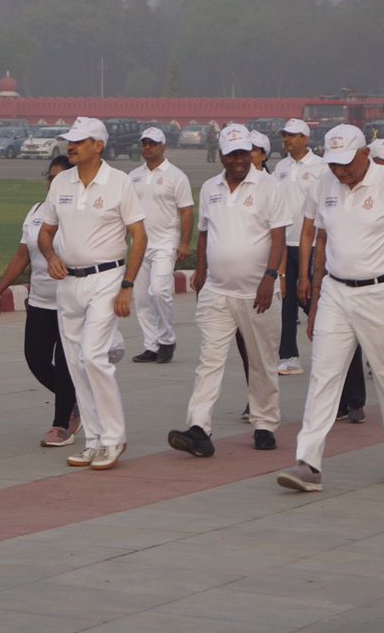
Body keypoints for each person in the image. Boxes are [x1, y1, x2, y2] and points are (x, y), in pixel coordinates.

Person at [276, 124, 384, 492]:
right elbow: (321, 239)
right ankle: (308, 463)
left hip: (382, 292)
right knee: (323, 376)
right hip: (336, 292)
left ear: (364, 155)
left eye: (346, 163)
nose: (340, 171)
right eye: (333, 164)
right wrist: (313, 299)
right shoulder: (323, 184)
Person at [167, 124, 290, 457]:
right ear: (221, 155)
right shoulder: (210, 188)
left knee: (262, 360)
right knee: (209, 360)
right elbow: (205, 232)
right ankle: (198, 427)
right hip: (217, 291)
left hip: (257, 292)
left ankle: (264, 423)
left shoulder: (269, 186)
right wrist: (202, 272)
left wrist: (270, 277)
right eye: (232, 154)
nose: (239, 160)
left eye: (244, 153)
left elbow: (278, 236)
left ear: (252, 152)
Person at [38, 116, 147, 471]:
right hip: (68, 282)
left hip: (107, 278)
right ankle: (93, 440)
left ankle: (114, 438)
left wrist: (127, 286)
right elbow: (46, 230)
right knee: (74, 364)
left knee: (93, 356)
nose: (71, 146)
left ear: (98, 145)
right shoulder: (61, 183)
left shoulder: (119, 183)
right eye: (69, 141)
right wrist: (51, 256)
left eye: (80, 141)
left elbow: (139, 235)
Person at [0, 155, 82, 446]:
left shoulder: (78, 213)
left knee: (64, 363)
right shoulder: (36, 212)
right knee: (36, 359)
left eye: (60, 178)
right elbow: (22, 255)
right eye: (50, 177)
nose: (53, 183)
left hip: (69, 301)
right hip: (39, 301)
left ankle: (60, 424)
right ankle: (77, 402)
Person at [129, 127, 193, 364]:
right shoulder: (133, 176)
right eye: (144, 143)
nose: (147, 147)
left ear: (163, 146)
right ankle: (151, 345)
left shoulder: (177, 176)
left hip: (165, 242)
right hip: (139, 244)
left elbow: (186, 211)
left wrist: (184, 243)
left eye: (152, 143)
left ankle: (166, 339)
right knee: (142, 298)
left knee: (159, 290)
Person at [273, 118, 326, 377]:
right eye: (285, 135)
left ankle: (333, 343)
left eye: (292, 136)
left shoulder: (321, 167)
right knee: (287, 300)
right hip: (285, 243)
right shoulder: (281, 167)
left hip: (313, 244)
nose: (287, 140)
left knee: (314, 300)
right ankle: (289, 356)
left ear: (305, 138)